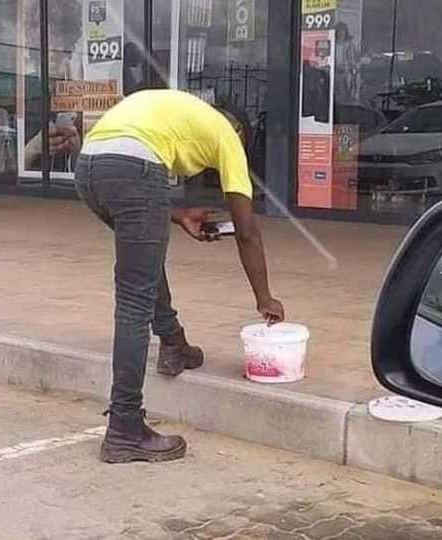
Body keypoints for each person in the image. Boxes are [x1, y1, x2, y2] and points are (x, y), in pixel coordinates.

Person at [76, 89, 285, 464]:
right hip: (132, 169)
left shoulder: (181, 111)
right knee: (134, 299)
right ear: (239, 132)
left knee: (144, 263)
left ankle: (174, 342)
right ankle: (124, 427)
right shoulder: (227, 134)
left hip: (89, 168)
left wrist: (179, 215)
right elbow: (247, 230)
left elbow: (129, 181)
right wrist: (264, 298)